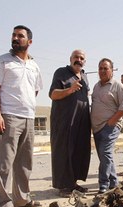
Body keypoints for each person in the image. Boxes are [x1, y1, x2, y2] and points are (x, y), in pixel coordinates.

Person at [0, 25, 43, 207]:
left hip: (28, 117)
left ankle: (21, 199)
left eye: (20, 36)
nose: (16, 38)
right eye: (14, 35)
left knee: (24, 162)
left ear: (30, 42)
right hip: (9, 117)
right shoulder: (2, 62)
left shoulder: (34, 65)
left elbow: (35, 90)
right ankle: (2, 205)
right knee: (4, 163)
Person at [49, 49, 91, 197]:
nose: (78, 60)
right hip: (64, 120)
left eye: (81, 58)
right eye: (76, 57)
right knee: (63, 152)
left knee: (79, 151)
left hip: (82, 121)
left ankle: (73, 183)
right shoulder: (61, 72)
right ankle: (63, 186)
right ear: (70, 59)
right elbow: (53, 94)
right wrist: (70, 89)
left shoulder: (84, 77)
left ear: (84, 61)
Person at [91, 58, 123, 193]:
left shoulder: (117, 86)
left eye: (105, 68)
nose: (102, 71)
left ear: (112, 71)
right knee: (104, 155)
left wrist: (112, 122)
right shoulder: (96, 86)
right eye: (100, 68)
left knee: (106, 153)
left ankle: (103, 184)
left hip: (111, 126)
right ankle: (114, 182)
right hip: (97, 128)